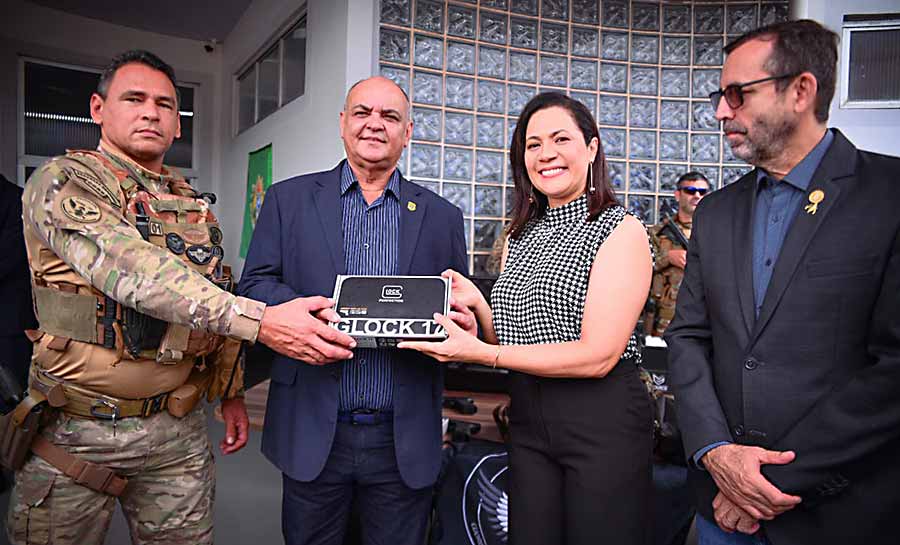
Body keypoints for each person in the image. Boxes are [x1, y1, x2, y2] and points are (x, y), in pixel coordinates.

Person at [7, 49, 344, 545]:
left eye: (165, 104)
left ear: (178, 124)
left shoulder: (187, 201)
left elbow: (214, 289)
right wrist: (262, 321)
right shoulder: (63, 181)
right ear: (98, 108)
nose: (151, 113)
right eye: (134, 99)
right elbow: (136, 272)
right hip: (77, 430)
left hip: (175, 431)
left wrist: (230, 391)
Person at [665, 19, 900, 545]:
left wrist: (765, 485)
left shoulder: (889, 196)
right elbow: (688, 337)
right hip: (719, 510)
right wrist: (716, 454)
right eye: (720, 96)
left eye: (738, 94)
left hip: (838, 515)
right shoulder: (716, 213)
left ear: (801, 91)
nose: (721, 111)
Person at [400, 92, 655, 545]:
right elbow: (517, 341)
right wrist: (478, 304)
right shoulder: (520, 234)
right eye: (533, 144)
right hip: (528, 418)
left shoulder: (620, 229)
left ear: (591, 148)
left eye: (560, 139)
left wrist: (481, 353)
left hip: (601, 420)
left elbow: (598, 355)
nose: (546, 154)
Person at [236, 76, 468, 545]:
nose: (374, 124)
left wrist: (459, 323)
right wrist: (305, 313)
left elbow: (458, 304)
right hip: (312, 426)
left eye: (390, 116)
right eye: (362, 112)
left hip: (402, 438)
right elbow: (254, 285)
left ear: (407, 131)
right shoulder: (287, 200)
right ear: (343, 123)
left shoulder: (443, 216)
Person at [646, 171, 710, 337]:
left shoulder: (717, 234)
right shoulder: (657, 233)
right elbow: (638, 270)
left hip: (704, 319)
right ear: (677, 195)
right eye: (690, 191)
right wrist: (668, 258)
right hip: (664, 320)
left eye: (702, 192)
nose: (697, 196)